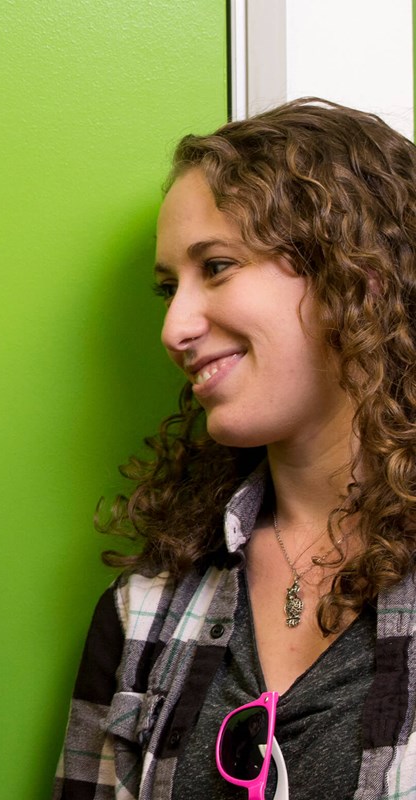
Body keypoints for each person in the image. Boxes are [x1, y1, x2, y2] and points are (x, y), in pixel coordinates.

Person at [53, 99, 416, 799]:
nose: (174, 326)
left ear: (359, 277)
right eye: (168, 288)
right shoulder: (144, 611)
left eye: (216, 266)